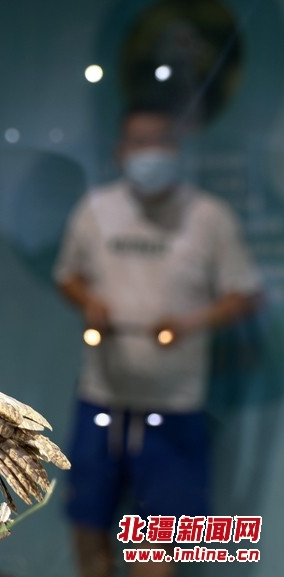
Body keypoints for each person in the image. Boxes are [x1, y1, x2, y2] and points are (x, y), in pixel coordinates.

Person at [54, 104, 261, 577]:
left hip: (174, 405)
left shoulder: (209, 216)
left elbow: (244, 294)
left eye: (160, 141)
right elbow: (67, 276)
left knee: (159, 540)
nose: (150, 153)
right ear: (120, 150)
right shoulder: (95, 209)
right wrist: (90, 303)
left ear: (178, 148)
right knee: (88, 523)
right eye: (139, 142)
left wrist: (191, 322)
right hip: (102, 399)